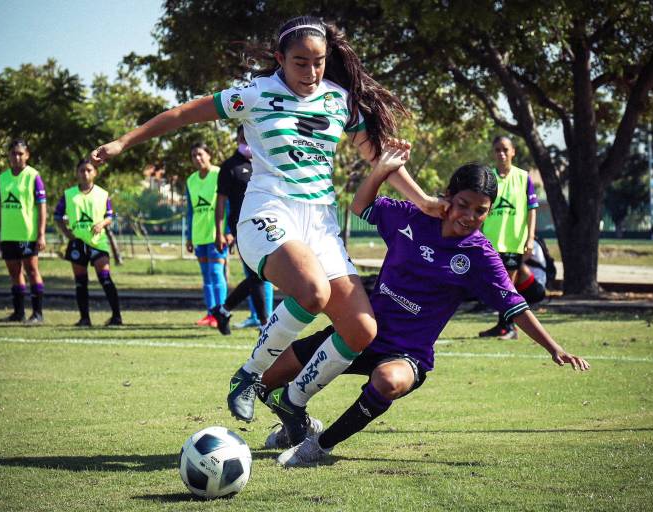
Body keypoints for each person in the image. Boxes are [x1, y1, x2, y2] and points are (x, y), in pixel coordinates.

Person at [90, 16, 445, 428]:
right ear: (279, 58)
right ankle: (249, 374)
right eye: (300, 62)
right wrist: (122, 142)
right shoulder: (255, 94)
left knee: (362, 330)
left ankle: (291, 400)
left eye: (319, 62)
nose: (311, 72)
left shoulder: (338, 100)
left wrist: (422, 200)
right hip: (269, 212)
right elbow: (183, 113)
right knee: (312, 292)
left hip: (321, 225)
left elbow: (379, 158)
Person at [260, 154, 590, 467]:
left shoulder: (480, 255)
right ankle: (298, 426)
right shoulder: (413, 217)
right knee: (267, 380)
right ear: (447, 197)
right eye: (463, 205)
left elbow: (514, 306)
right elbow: (361, 205)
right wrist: (380, 170)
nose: (469, 217)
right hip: (359, 334)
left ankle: (318, 446)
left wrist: (554, 348)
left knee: (388, 380)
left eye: (481, 211)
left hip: (407, 354)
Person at [210, 125, 274, 335]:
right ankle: (264, 323)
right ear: (237, 139)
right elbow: (221, 202)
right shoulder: (230, 167)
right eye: (243, 138)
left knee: (263, 274)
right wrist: (220, 232)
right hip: (242, 228)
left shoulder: (263, 163)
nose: (247, 142)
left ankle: (223, 309)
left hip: (266, 225)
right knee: (257, 275)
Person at [478, 135, 539, 340]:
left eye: (505, 149)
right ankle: (502, 325)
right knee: (495, 286)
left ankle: (510, 328)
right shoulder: (488, 178)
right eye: (497, 150)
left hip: (513, 242)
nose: (501, 153)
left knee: (507, 287)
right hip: (489, 242)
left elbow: (532, 210)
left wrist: (530, 239)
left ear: (513, 151)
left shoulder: (523, 178)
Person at [54, 159, 122, 326]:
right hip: (78, 243)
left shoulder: (103, 194)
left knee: (105, 278)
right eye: (82, 170)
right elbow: (57, 216)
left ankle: (116, 317)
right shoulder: (69, 194)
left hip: (98, 243)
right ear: (77, 173)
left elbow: (110, 216)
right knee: (80, 281)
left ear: (95, 173)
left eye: (89, 170)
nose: (85, 173)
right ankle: (84, 318)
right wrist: (67, 233)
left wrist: (102, 224)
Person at [0, 139, 47, 323]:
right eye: (13, 153)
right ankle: (19, 313)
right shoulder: (3, 177)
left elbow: (42, 207)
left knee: (32, 271)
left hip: (27, 234)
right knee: (14, 274)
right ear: (8, 155)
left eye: (20, 153)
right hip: (8, 234)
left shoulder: (33, 176)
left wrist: (40, 234)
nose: (16, 157)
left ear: (27, 155)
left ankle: (38, 314)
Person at [185, 142, 227, 328]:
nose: (197, 158)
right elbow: (189, 210)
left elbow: (229, 205)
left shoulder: (220, 174)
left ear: (209, 155)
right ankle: (211, 314)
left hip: (217, 235)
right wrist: (188, 235)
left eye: (200, 154)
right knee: (206, 277)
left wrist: (227, 232)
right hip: (199, 235)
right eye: (194, 155)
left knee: (216, 273)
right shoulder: (191, 180)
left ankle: (222, 313)